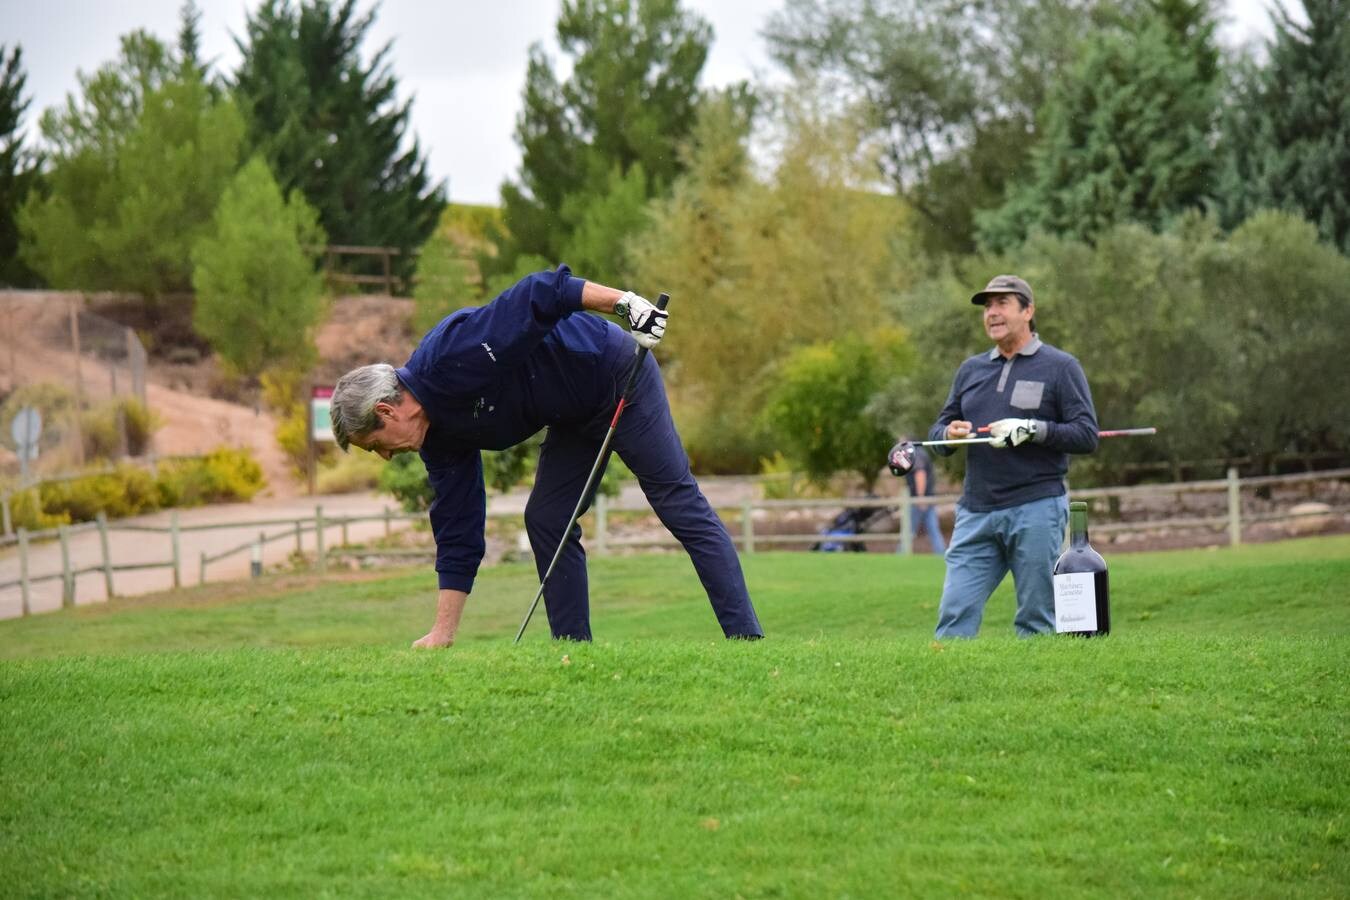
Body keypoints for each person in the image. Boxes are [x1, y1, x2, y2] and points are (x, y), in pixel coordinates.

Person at [330, 264, 764, 647]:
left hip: (615, 375)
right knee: (547, 519)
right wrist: (443, 633)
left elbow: (541, 292)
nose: (387, 457)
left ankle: (746, 639)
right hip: (572, 414)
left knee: (675, 501)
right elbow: (457, 528)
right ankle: (574, 652)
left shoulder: (451, 353)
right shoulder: (437, 437)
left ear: (386, 411)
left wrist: (626, 304)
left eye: (377, 446)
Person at [926, 274, 1098, 638]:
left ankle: (1034, 689)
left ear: (1028, 310)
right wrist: (950, 436)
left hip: (1035, 508)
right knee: (954, 612)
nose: (992, 313)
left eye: (1002, 303)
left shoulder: (1060, 367)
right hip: (976, 511)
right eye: (987, 306)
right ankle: (946, 688)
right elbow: (937, 435)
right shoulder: (970, 370)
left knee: (1036, 618)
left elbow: (1086, 434)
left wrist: (1035, 429)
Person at [898, 441, 945, 555]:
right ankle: (941, 554)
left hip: (919, 499)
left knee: (909, 529)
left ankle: (900, 554)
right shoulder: (920, 453)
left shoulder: (916, 455)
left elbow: (920, 474)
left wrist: (920, 498)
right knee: (933, 529)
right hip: (927, 497)